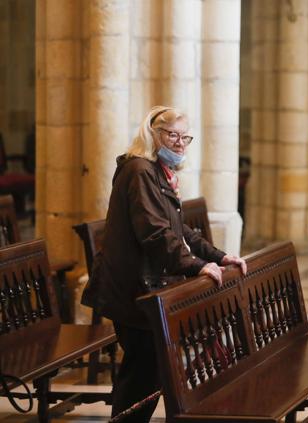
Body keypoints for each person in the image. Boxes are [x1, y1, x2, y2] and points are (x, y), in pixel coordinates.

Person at [81, 105, 247, 423]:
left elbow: (179, 228)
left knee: (147, 371)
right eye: (172, 134)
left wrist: (218, 256)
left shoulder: (157, 171)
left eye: (185, 137)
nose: (180, 142)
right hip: (132, 289)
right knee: (141, 373)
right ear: (153, 133)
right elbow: (154, 233)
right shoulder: (139, 171)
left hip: (145, 287)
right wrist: (195, 266)